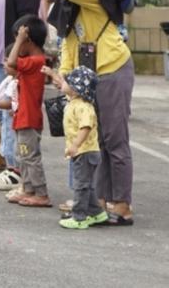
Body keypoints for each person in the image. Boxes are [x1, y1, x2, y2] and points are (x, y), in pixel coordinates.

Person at [41, 0, 134, 226]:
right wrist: (66, 74)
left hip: (113, 68)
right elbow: (69, 36)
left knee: (114, 140)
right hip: (88, 77)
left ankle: (122, 204)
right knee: (94, 138)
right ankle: (99, 202)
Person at [0, 16, 51, 206]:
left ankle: (41, 193)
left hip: (29, 119)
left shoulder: (36, 61)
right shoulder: (30, 63)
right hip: (23, 119)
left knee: (30, 157)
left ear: (28, 40)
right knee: (23, 156)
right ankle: (29, 189)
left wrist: (20, 38)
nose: (16, 46)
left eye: (18, 41)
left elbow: (12, 64)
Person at [43, 65, 109, 230]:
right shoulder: (74, 100)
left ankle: (79, 217)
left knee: (81, 185)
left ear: (76, 88)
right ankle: (96, 213)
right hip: (83, 151)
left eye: (66, 82)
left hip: (85, 151)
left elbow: (85, 127)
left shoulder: (83, 107)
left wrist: (75, 145)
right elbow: (61, 84)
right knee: (87, 184)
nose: (61, 84)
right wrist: (52, 74)